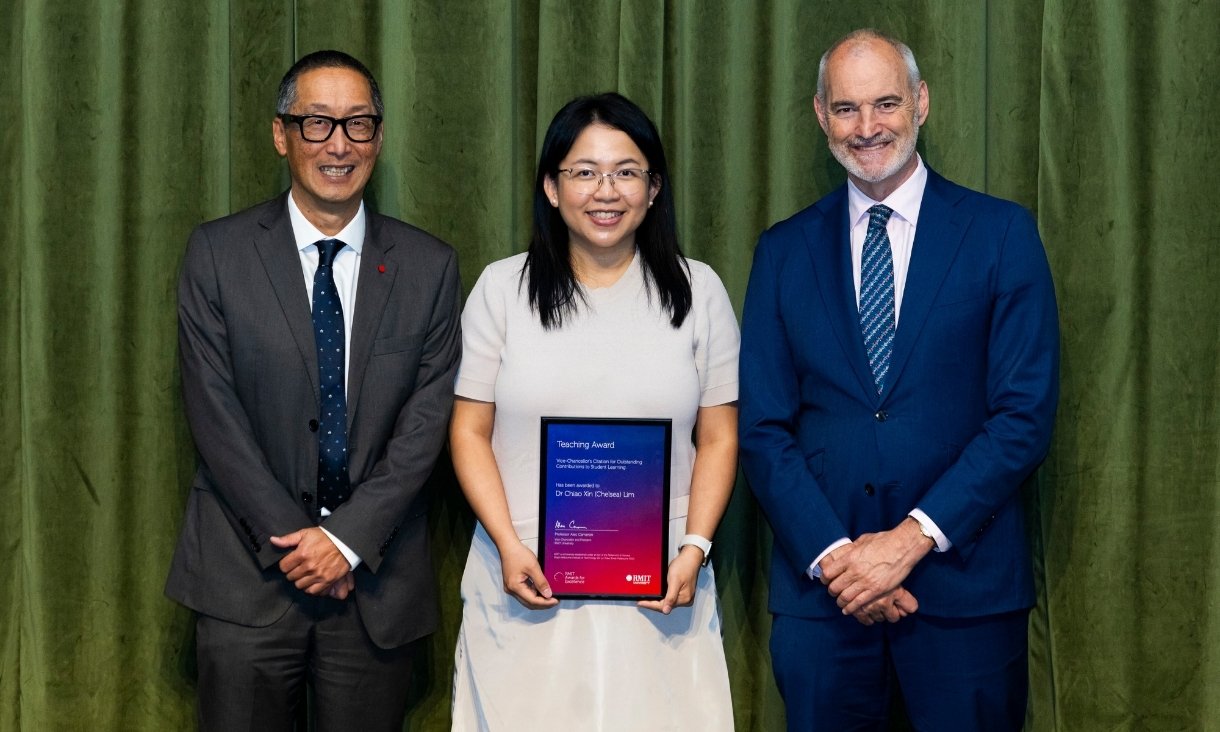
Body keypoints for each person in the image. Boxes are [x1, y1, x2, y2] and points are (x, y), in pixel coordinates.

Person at [739, 29, 1060, 731]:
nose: (868, 127)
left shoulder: (1001, 234)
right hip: (824, 605)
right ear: (822, 116)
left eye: (885, 103)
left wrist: (907, 543)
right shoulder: (783, 251)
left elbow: (1022, 416)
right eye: (847, 108)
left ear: (921, 102)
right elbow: (762, 427)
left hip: (963, 601)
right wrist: (840, 562)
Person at [165, 50, 461, 730]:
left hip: (375, 585)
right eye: (317, 123)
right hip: (246, 579)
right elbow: (214, 414)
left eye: (358, 125)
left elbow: (426, 424)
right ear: (281, 134)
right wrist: (304, 545)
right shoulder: (217, 253)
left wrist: (347, 541)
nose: (338, 144)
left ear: (379, 139)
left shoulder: (430, 266)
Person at [448, 92, 738, 730]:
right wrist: (506, 542)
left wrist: (694, 549)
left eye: (626, 171)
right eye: (583, 171)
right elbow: (469, 431)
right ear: (552, 187)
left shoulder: (700, 290)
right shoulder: (502, 288)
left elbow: (718, 438)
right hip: (525, 576)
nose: (605, 191)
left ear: (654, 187)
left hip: (663, 581)